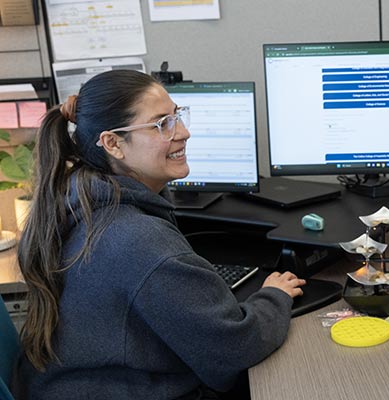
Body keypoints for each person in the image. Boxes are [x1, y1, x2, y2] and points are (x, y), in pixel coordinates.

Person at [12, 69, 306, 400]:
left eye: (177, 116)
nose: (184, 132)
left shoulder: (78, 200)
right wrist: (274, 297)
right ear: (113, 143)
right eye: (161, 124)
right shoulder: (138, 240)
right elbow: (234, 350)